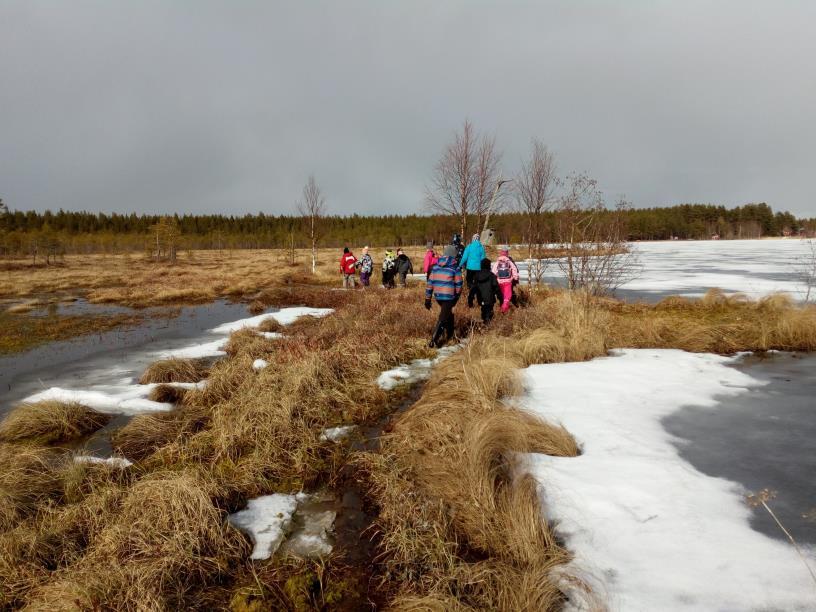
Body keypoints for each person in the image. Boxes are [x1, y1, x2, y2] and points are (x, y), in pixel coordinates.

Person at [424, 245, 463, 348]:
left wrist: (427, 299)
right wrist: (457, 296)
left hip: (438, 296)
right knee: (443, 317)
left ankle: (450, 335)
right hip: (449, 296)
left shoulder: (436, 267)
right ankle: (433, 341)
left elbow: (430, 283)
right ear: (453, 255)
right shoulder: (455, 267)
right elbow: (459, 284)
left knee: (448, 314)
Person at [468, 258, 502, 324]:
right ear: (489, 266)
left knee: (484, 310)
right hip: (490, 299)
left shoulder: (476, 276)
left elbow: (473, 289)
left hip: (481, 298)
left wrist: (470, 300)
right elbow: (497, 288)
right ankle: (487, 323)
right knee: (489, 311)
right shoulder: (492, 275)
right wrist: (501, 299)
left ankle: (485, 322)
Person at [491, 247, 520, 313]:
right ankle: (504, 308)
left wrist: (493, 280)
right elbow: (514, 269)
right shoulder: (509, 261)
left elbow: (493, 271)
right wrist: (516, 278)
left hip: (499, 282)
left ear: (501, 253)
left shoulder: (498, 261)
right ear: (507, 253)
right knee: (508, 295)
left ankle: (503, 309)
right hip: (508, 281)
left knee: (502, 295)